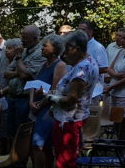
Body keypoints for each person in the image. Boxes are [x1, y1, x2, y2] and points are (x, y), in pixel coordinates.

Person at [47, 31, 100, 168]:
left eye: (67, 49)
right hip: (73, 117)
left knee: (65, 161)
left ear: (76, 49)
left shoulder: (81, 70)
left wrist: (51, 98)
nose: (64, 54)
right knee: (67, 157)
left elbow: (71, 99)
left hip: (69, 120)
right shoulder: (88, 61)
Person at [29, 34, 67, 168]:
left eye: (45, 46)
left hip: (48, 110)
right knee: (44, 146)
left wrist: (40, 103)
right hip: (38, 108)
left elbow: (55, 91)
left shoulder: (60, 65)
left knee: (38, 145)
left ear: (55, 48)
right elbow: (34, 84)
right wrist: (32, 101)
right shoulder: (44, 64)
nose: (42, 48)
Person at [5, 25, 46, 144]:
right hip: (12, 97)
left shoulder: (39, 53)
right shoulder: (23, 51)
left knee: (22, 133)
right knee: (12, 132)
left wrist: (18, 59)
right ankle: (13, 158)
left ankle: (22, 159)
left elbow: (26, 76)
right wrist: (21, 70)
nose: (22, 40)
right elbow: (7, 73)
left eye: (25, 37)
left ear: (35, 38)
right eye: (21, 36)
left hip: (25, 99)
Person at [0, 38, 21, 153]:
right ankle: (0, 152)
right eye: (6, 48)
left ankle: (11, 153)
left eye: (10, 48)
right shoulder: (3, 59)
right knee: (0, 127)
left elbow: (17, 82)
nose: (7, 51)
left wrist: (1, 92)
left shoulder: (20, 61)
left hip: (12, 98)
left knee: (10, 129)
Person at [77, 20, 109, 102]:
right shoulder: (78, 45)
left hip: (93, 91)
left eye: (83, 30)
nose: (80, 32)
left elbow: (104, 68)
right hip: (78, 89)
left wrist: (86, 72)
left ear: (90, 32)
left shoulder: (97, 47)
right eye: (78, 30)